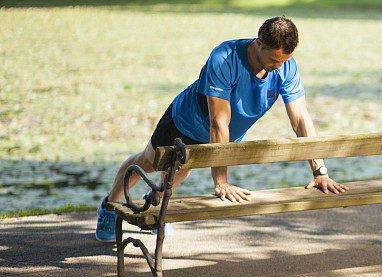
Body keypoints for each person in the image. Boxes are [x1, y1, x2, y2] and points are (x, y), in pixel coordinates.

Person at [95, 16, 348, 242]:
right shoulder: (224, 58)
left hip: (221, 137)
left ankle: (156, 210)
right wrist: (221, 183)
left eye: (285, 60)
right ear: (259, 43)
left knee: (179, 172)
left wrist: (320, 171)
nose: (279, 67)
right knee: (149, 162)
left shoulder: (285, 66)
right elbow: (219, 121)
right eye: (274, 59)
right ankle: (109, 206)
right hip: (185, 121)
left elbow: (301, 119)